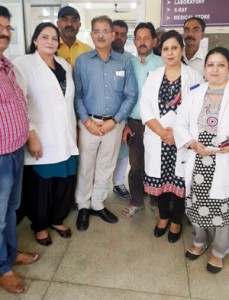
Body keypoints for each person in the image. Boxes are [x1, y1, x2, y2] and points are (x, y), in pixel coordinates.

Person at [13, 22, 79, 246]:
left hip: (66, 134)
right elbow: (18, 102)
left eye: (54, 37)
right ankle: (40, 225)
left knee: (64, 181)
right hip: (40, 135)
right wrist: (30, 134)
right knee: (41, 185)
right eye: (44, 37)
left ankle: (57, 219)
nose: (50, 41)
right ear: (35, 40)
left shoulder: (63, 64)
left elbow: (67, 100)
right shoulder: (23, 64)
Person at [74, 15, 137, 231]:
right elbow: (77, 95)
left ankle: (98, 204)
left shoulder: (124, 62)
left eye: (105, 31)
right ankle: (83, 206)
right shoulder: (82, 61)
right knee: (85, 166)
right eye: (96, 31)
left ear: (112, 35)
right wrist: (86, 121)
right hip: (88, 123)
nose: (101, 35)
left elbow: (131, 95)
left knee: (105, 166)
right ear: (92, 35)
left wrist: (115, 121)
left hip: (114, 124)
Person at [140, 30, 203, 243]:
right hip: (158, 138)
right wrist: (162, 132)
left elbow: (196, 110)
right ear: (161, 51)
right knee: (161, 183)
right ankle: (164, 217)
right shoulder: (154, 76)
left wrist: (176, 134)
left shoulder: (194, 77)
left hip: (181, 141)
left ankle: (176, 220)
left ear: (182, 50)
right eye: (165, 48)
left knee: (180, 184)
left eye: (174, 48)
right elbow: (145, 108)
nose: (169, 52)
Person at [175, 47, 229, 272]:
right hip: (197, 159)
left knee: (221, 209)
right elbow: (180, 123)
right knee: (196, 205)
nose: (215, 69)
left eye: (221, 64)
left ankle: (218, 251)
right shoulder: (195, 93)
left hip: (223, 161)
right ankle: (199, 241)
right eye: (210, 64)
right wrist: (191, 143)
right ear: (204, 68)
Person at [0, 6, 39, 294]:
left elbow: (19, 105)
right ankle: (3, 268)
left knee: (12, 209)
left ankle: (11, 254)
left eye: (7, 27)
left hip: (15, 151)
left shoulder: (8, 66)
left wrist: (28, 134)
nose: (4, 32)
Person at [122, 22, 164, 218]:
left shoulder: (163, 63)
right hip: (134, 123)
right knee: (136, 163)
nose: (142, 42)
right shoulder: (129, 64)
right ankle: (136, 200)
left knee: (156, 163)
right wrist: (124, 124)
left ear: (154, 41)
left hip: (157, 124)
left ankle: (155, 201)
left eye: (146, 37)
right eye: (138, 38)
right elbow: (123, 95)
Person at [112, 20, 133, 199]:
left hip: (124, 114)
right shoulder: (96, 57)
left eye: (123, 34)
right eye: (116, 33)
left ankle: (118, 182)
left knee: (123, 151)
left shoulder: (130, 60)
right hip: (100, 117)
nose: (119, 37)